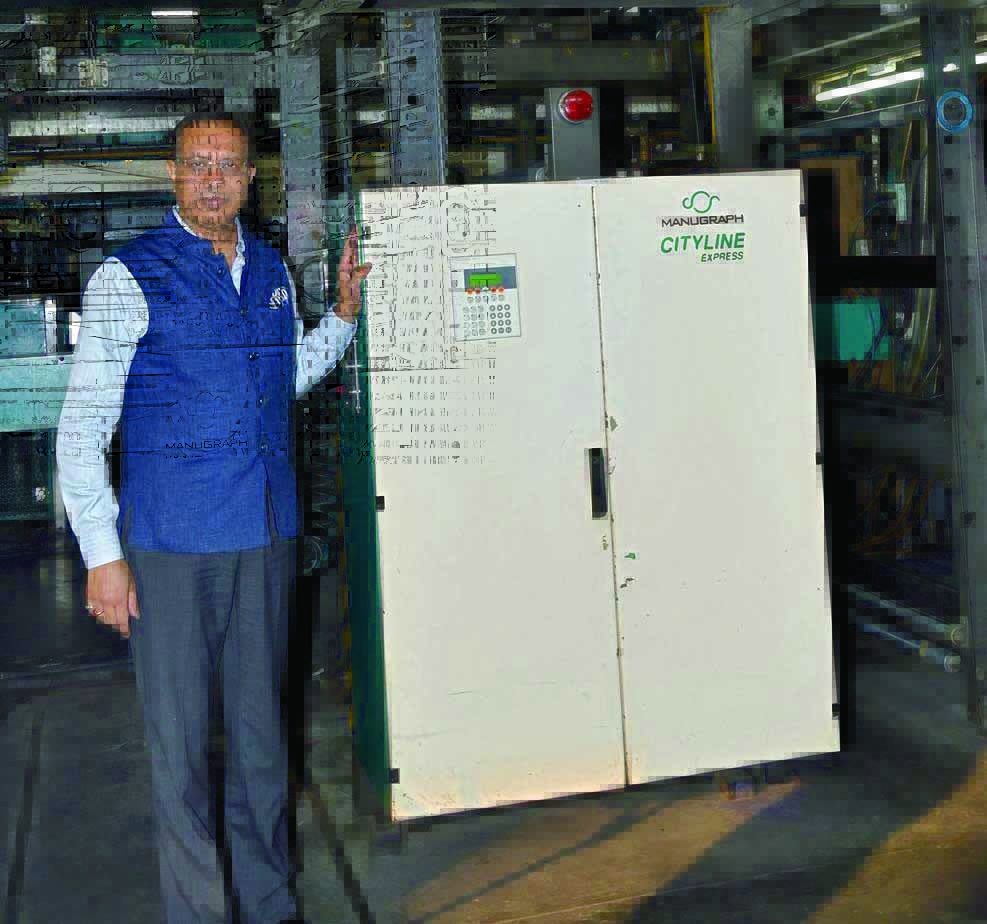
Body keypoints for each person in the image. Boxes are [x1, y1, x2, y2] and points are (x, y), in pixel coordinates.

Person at [55, 111, 372, 924]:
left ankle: (269, 904)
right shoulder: (129, 276)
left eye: (227, 165)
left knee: (262, 739)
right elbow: (83, 427)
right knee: (183, 750)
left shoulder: (268, 268)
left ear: (250, 178)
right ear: (172, 173)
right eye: (197, 163)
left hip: (263, 538)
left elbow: (281, 380)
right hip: (172, 546)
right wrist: (102, 555)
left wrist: (340, 316)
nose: (212, 179)